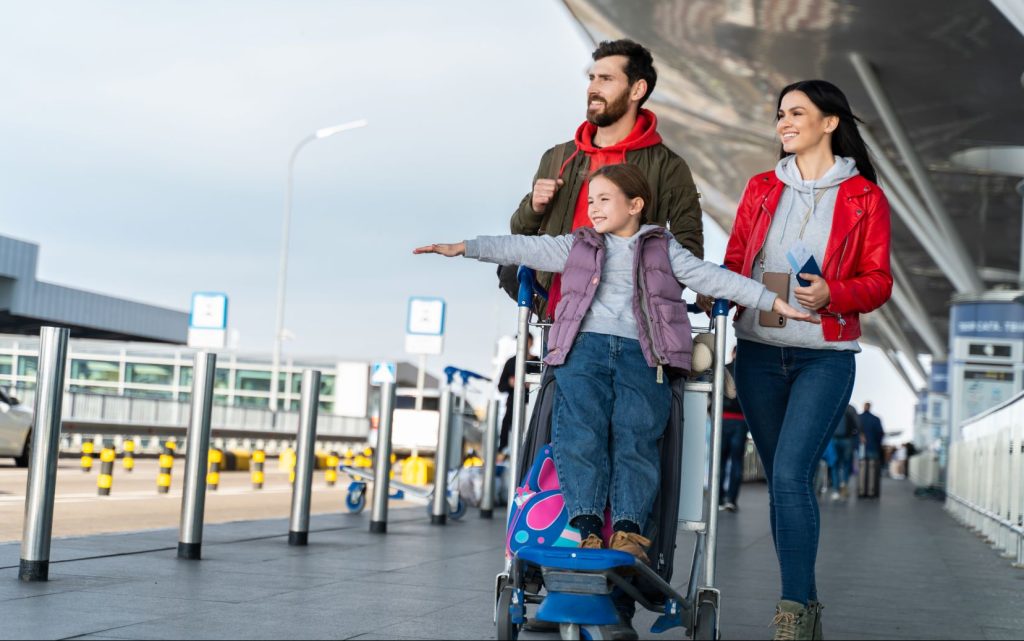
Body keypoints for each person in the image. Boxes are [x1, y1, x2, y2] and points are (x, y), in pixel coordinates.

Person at [418, 163, 811, 559]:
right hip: (582, 350)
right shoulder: (578, 245)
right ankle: (586, 526)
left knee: (636, 437)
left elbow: (714, 278)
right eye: (591, 200)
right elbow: (521, 247)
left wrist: (773, 300)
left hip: (644, 354)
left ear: (636, 204)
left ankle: (627, 529)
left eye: (604, 199)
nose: (594, 208)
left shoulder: (664, 248)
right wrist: (464, 247)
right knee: (579, 434)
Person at [704, 80, 893, 639]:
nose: (784, 123)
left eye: (797, 113)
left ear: (830, 122)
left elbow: (879, 281)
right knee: (788, 485)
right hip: (759, 354)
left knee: (788, 475)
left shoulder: (865, 197)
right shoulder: (762, 187)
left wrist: (834, 293)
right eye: (780, 114)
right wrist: (711, 294)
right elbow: (737, 260)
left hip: (824, 356)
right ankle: (805, 608)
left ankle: (790, 610)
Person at [505, 39, 704, 317]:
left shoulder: (668, 166)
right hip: (560, 314)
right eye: (592, 78)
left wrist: (654, 294)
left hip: (630, 323)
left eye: (606, 79)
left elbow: (689, 247)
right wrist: (534, 208)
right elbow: (519, 232)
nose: (593, 88)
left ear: (637, 89)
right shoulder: (557, 158)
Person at [496, 334, 536, 455]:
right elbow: (500, 387)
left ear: (531, 343)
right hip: (513, 408)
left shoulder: (537, 362)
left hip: (531, 407)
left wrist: (531, 383)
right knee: (507, 430)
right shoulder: (511, 362)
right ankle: (504, 452)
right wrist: (510, 382)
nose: (523, 344)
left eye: (526, 341)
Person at [719, 347, 747, 512]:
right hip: (741, 421)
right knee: (737, 462)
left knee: (720, 461)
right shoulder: (747, 371)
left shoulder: (724, 369)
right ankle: (732, 500)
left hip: (722, 419)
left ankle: (720, 499)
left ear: (732, 353)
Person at [828, 404, 859, 501]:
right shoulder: (851, 409)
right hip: (847, 439)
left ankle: (836, 490)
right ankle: (843, 484)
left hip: (834, 439)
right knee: (845, 463)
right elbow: (857, 425)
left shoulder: (832, 405)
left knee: (835, 464)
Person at [858, 401, 885, 495]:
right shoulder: (876, 419)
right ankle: (871, 491)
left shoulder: (858, 418)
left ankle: (861, 490)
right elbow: (881, 433)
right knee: (872, 468)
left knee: (861, 467)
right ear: (870, 407)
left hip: (861, 448)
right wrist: (878, 444)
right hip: (873, 447)